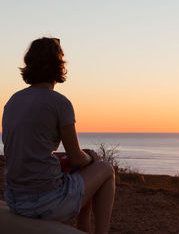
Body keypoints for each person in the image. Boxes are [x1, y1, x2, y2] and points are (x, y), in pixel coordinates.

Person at [2, 37, 115, 234]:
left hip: (16, 199)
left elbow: (28, 151)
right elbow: (77, 157)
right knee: (105, 169)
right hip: (45, 202)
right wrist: (91, 158)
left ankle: (83, 227)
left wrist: (65, 158)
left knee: (73, 167)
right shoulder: (59, 103)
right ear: (58, 65)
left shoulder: (12, 101)